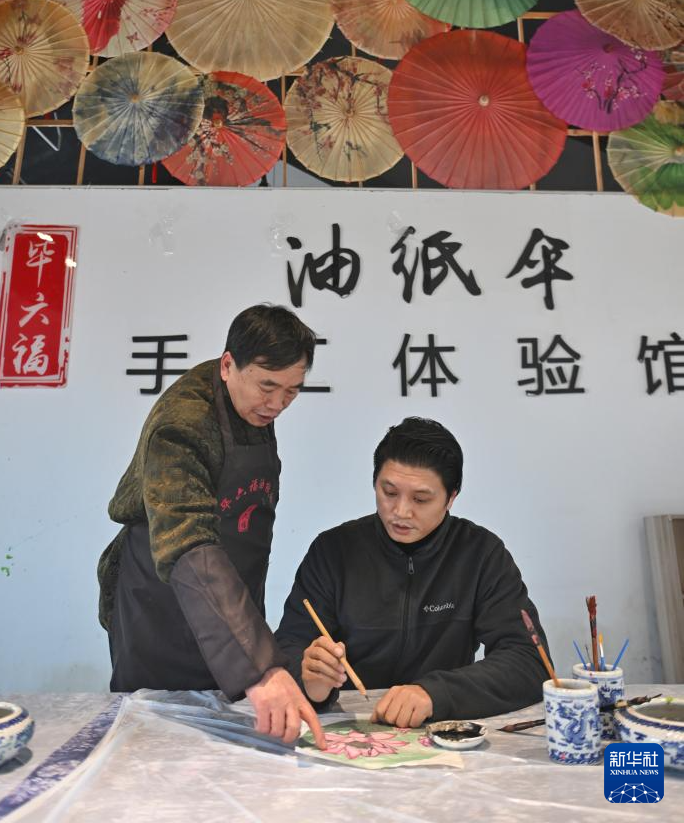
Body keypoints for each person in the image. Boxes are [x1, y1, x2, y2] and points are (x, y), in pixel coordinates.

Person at [98, 303, 325, 748]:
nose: (277, 404)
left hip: (227, 599)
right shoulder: (181, 424)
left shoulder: (250, 405)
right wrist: (261, 668)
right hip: (160, 602)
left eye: (292, 391)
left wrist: (253, 647)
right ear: (227, 365)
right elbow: (187, 542)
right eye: (267, 387)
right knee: (156, 740)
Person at [275, 417, 550, 728]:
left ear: (451, 497)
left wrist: (435, 693)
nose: (401, 511)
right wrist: (311, 682)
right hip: (350, 730)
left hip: (442, 729)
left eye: (421, 499)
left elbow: (528, 660)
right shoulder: (333, 551)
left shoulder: (480, 554)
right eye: (389, 492)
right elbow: (288, 648)